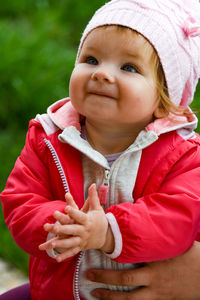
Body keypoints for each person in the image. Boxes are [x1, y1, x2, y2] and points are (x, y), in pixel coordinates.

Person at [1, 0, 200, 299]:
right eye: (91, 59)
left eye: (128, 67)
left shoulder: (183, 156)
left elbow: (180, 217)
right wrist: (62, 225)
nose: (102, 74)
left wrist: (109, 231)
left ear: (164, 102)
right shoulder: (49, 139)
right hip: (60, 293)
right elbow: (20, 201)